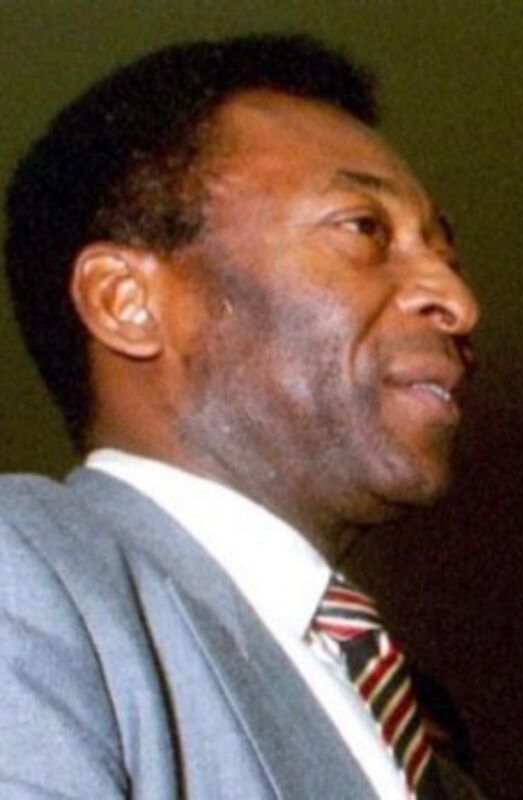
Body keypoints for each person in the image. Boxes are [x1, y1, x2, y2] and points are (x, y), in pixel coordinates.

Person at [1, 34, 483, 798]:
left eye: (447, 258)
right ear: (126, 302)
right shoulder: (21, 574)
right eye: (363, 227)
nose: (458, 301)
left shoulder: (432, 758)